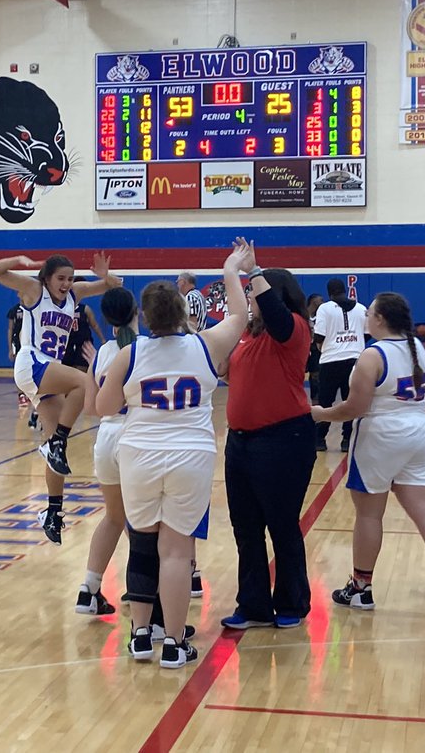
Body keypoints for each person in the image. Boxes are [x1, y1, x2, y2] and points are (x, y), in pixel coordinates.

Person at [95, 240, 249, 668]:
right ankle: (175, 644)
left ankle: (141, 636)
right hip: (190, 456)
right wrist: (231, 268)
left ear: (144, 317)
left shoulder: (130, 353)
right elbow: (240, 315)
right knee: (177, 553)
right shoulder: (205, 346)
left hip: (139, 454)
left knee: (143, 546)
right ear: (183, 313)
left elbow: (103, 408)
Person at [311, 292, 425, 615]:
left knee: (369, 514)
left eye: (370, 314)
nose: (366, 318)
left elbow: (355, 408)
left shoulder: (372, 355)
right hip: (418, 431)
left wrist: (320, 413)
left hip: (381, 434)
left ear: (380, 319)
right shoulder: (420, 350)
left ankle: (361, 587)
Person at [0, 252, 120, 544]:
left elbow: (114, 286)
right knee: (86, 380)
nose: (66, 283)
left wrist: (105, 274)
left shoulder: (76, 294)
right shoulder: (35, 290)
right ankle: (57, 440)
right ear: (47, 278)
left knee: (57, 457)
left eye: (70, 278)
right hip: (32, 363)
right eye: (61, 278)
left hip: (48, 375)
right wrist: (17, 261)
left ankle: (53, 511)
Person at [221, 254, 318, 632]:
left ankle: (292, 602)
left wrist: (253, 272)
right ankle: (254, 604)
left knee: (281, 525)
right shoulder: (249, 334)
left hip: (284, 440)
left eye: (255, 293)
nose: (251, 300)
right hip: (241, 443)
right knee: (245, 528)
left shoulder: (293, 328)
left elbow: (276, 316)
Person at [76, 286, 138, 618]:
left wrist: (92, 371)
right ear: (136, 312)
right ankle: (148, 593)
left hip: (106, 438)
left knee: (114, 517)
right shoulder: (146, 349)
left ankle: (88, 589)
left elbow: (91, 408)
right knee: (147, 523)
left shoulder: (102, 353)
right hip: (138, 438)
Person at [312, 278, 367, 452]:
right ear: (344, 290)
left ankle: (320, 439)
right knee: (350, 401)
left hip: (330, 361)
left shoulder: (324, 308)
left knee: (325, 402)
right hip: (355, 361)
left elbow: (319, 337)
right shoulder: (361, 308)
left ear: (329, 292)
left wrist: (324, 347)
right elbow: (367, 334)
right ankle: (346, 440)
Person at [62, 301, 104, 370]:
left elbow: (94, 325)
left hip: (83, 343)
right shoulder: (61, 310)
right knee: (66, 369)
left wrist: (102, 339)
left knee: (83, 368)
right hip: (67, 344)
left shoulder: (85, 309)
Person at [8, 302, 29, 407]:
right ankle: (21, 395)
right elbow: (10, 329)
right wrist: (10, 349)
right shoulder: (14, 310)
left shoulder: (33, 307)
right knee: (18, 369)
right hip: (18, 342)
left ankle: (29, 393)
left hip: (30, 342)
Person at [305, 293, 323, 402]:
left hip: (315, 350)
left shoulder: (321, 316)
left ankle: (315, 401)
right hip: (302, 349)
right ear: (314, 301)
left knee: (315, 376)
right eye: (321, 300)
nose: (323, 302)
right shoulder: (303, 315)